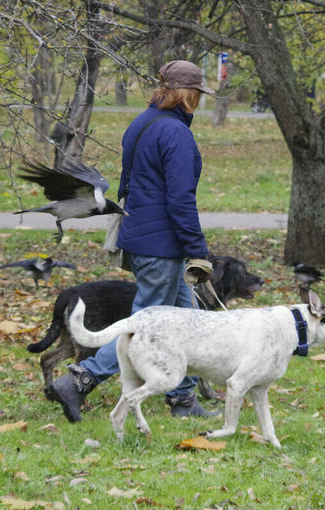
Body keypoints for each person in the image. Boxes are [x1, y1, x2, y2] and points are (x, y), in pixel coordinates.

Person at [48, 60, 220, 422]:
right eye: (198, 94)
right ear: (186, 94)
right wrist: (197, 250)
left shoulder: (142, 123)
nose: (200, 101)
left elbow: (130, 184)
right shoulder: (175, 133)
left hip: (142, 237)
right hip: (161, 246)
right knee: (141, 328)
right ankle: (79, 380)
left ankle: (183, 400)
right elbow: (180, 199)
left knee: (185, 320)